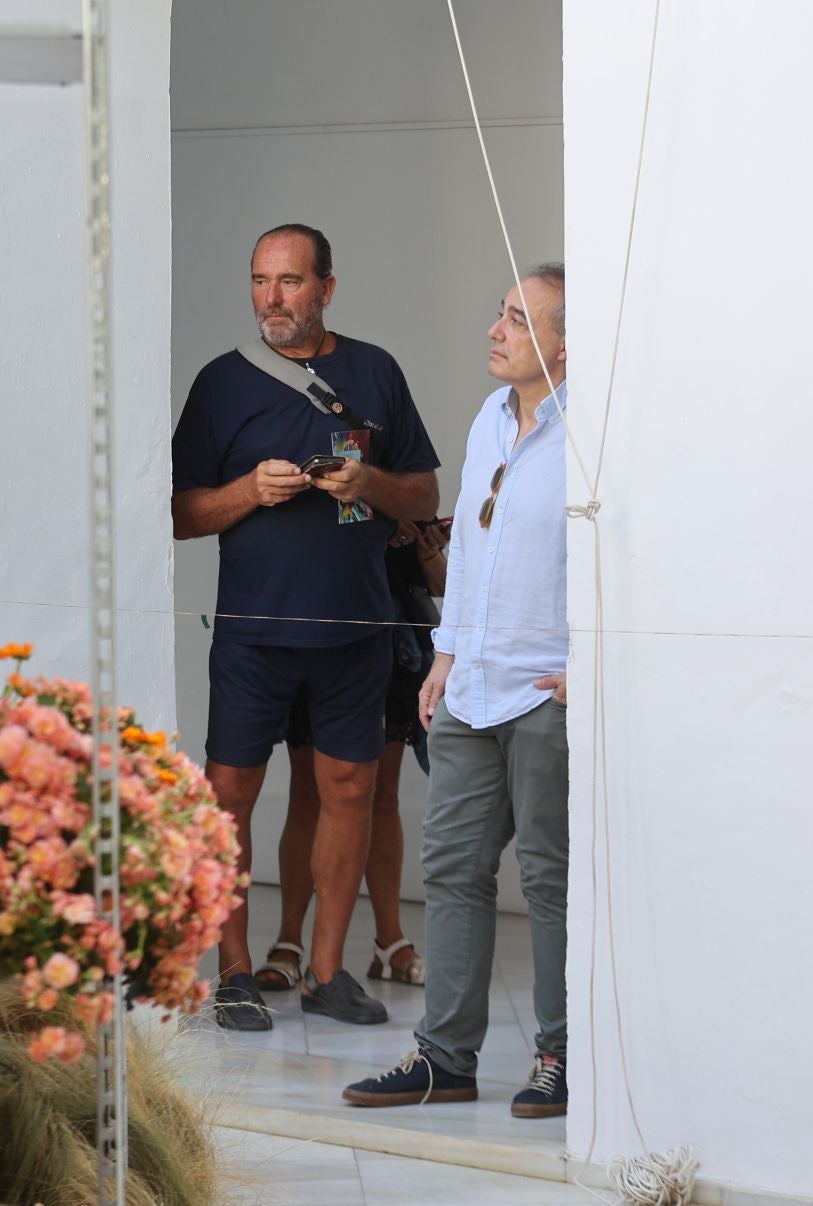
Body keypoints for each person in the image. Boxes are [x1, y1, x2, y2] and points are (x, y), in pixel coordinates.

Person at [172, 224, 441, 1029]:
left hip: (356, 629)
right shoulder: (222, 384)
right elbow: (181, 514)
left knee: (350, 791)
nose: (272, 299)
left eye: (289, 282)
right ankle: (235, 973)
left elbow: (423, 495)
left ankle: (327, 974)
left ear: (326, 287)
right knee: (230, 799)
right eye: (260, 281)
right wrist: (249, 491)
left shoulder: (375, 371)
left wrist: (371, 481)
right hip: (254, 632)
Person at [343, 263, 572, 1119]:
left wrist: (588, 669)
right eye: (500, 313)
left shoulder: (590, 432)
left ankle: (562, 1056)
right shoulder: (486, 419)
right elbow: (468, 553)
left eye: (518, 318)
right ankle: (445, 1058)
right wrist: (442, 658)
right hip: (470, 686)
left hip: (546, 692)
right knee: (453, 868)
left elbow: (620, 556)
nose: (496, 329)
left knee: (549, 879)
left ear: (562, 344)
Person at [254, 519, 449, 998]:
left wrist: (418, 536)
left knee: (381, 795)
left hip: (391, 631)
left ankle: (390, 944)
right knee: (309, 793)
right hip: (320, 624)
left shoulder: (399, 463)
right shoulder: (327, 461)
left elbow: (440, 581)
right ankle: (289, 942)